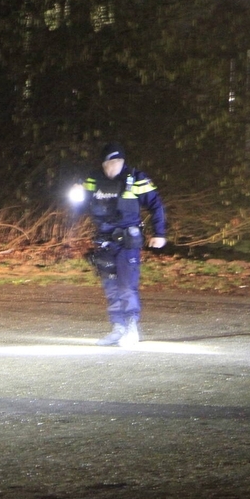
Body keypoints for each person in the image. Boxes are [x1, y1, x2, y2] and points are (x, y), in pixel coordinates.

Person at [69, 142, 167, 346]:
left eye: (119, 161)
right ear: (104, 164)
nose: (115, 166)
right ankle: (118, 327)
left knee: (127, 285)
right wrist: (76, 194)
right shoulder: (93, 180)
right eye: (111, 162)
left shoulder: (136, 179)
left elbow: (156, 205)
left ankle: (131, 327)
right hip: (104, 241)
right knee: (111, 287)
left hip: (127, 241)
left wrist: (159, 233)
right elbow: (79, 205)